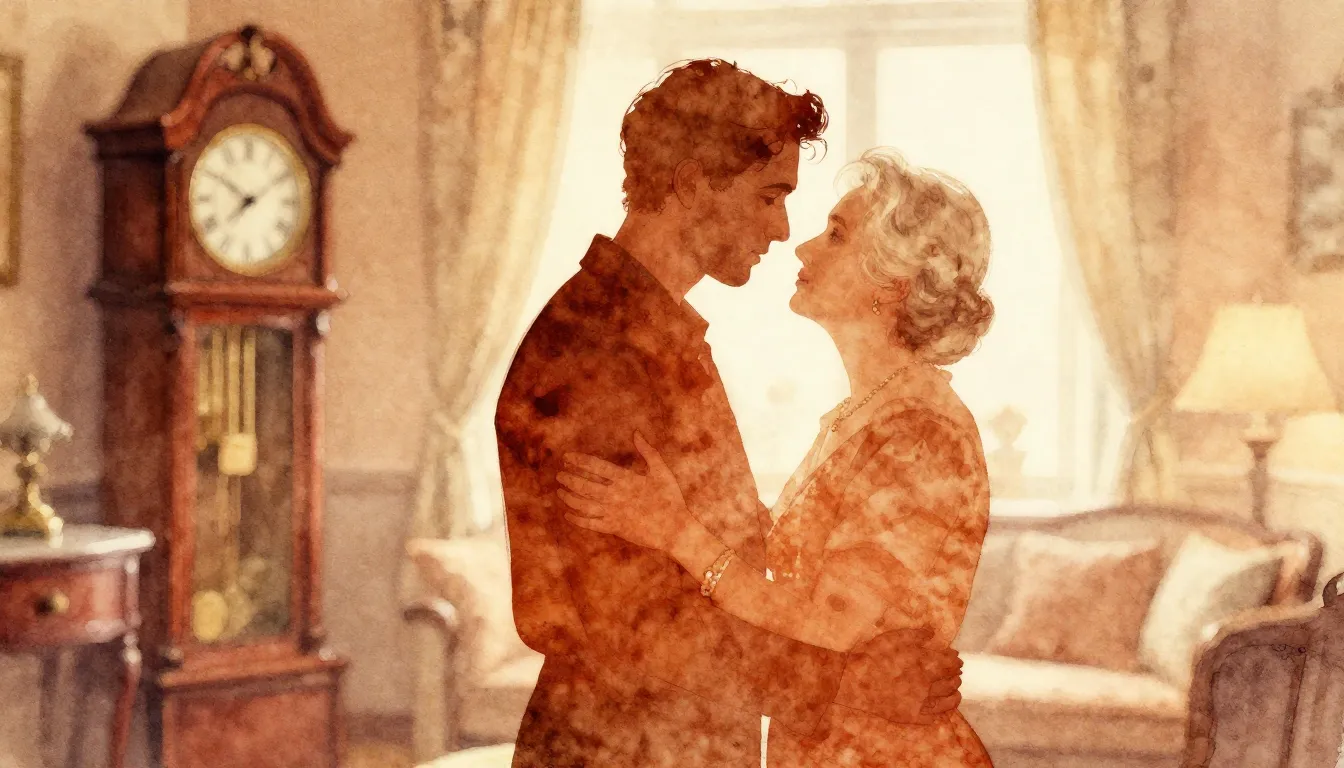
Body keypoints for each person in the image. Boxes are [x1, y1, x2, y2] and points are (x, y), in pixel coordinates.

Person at [494, 60, 964, 768]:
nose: (782, 229)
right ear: (692, 184)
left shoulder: (649, 330)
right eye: (770, 196)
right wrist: (849, 683)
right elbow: (630, 624)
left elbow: (714, 556)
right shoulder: (593, 349)